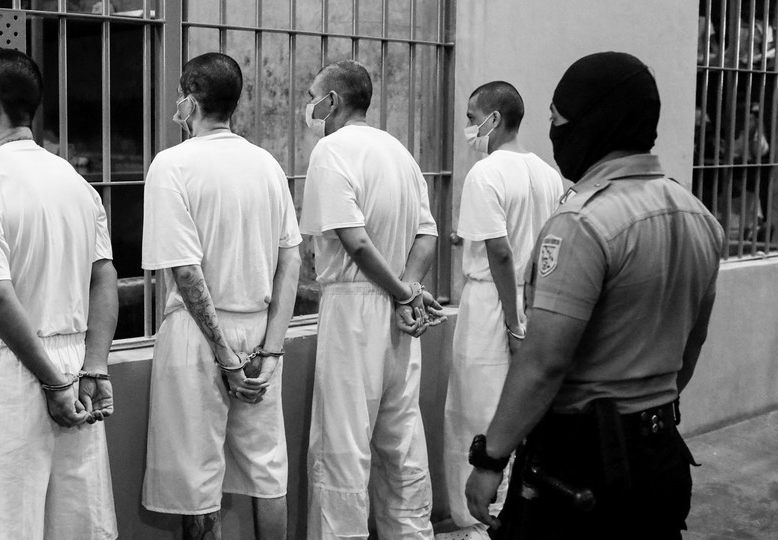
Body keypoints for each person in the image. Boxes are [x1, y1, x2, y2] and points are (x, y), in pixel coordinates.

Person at [464, 51, 725, 540]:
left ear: (594, 122)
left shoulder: (584, 223)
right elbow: (691, 347)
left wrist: (490, 457)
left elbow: (544, 362)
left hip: (580, 468)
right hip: (660, 452)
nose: (556, 132)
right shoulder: (699, 217)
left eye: (559, 120)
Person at [0, 48, 118, 539]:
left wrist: (52, 384)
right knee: (77, 522)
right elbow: (103, 276)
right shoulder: (75, 182)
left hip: (10, 368)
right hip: (75, 365)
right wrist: (94, 367)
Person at [140, 52, 301, 540]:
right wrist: (272, 349)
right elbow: (290, 260)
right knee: (267, 470)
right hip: (258, 329)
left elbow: (186, 272)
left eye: (178, 99)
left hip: (199, 334)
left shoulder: (173, 165)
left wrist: (224, 357)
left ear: (189, 101)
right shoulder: (266, 164)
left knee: (197, 476)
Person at [300, 59, 442, 540]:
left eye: (313, 95)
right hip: (401, 313)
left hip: (353, 309)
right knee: (400, 439)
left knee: (342, 446)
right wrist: (408, 291)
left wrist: (402, 291)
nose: (309, 106)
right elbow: (427, 234)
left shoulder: (331, 150)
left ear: (332, 101)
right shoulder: (397, 151)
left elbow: (355, 243)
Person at [443, 81, 562, 538]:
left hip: (495, 304)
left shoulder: (486, 173)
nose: (468, 128)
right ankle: (516, 516)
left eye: (472, 119)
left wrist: (512, 322)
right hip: (534, 298)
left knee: (476, 412)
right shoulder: (547, 174)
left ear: (493, 119)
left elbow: (500, 252)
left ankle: (476, 524)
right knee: (520, 413)